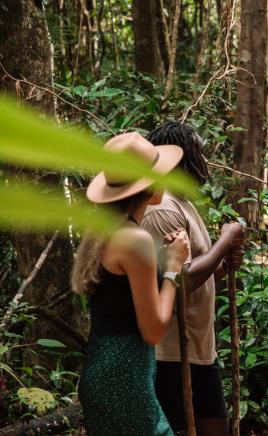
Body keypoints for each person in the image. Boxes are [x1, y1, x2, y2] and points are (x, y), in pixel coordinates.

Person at [72, 132, 190, 435]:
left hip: (104, 368)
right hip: (124, 375)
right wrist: (174, 268)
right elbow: (153, 330)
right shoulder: (135, 239)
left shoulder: (109, 230)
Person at [142, 121, 245, 436]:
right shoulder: (161, 208)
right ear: (180, 158)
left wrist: (221, 266)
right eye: (199, 153)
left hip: (200, 348)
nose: (205, 161)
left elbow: (197, 266)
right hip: (172, 352)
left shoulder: (182, 203)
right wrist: (225, 240)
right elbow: (179, 280)